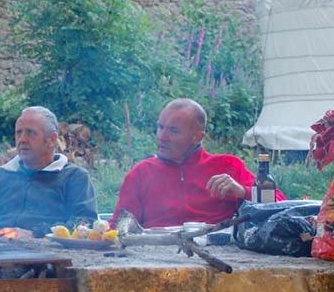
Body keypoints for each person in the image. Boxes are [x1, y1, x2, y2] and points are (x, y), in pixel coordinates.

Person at [112, 98, 285, 228]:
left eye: (173, 130)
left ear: (197, 137)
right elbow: (118, 226)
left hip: (218, 258)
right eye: (160, 127)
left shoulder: (227, 166)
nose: (162, 136)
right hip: (154, 260)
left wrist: (242, 192)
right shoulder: (142, 173)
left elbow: (280, 204)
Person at [0, 106, 98, 240]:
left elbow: (84, 223)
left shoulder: (73, 177)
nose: (22, 139)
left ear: (51, 139)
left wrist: (36, 235)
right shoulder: (0, 176)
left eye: (30, 133)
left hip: (47, 256)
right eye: (18, 133)